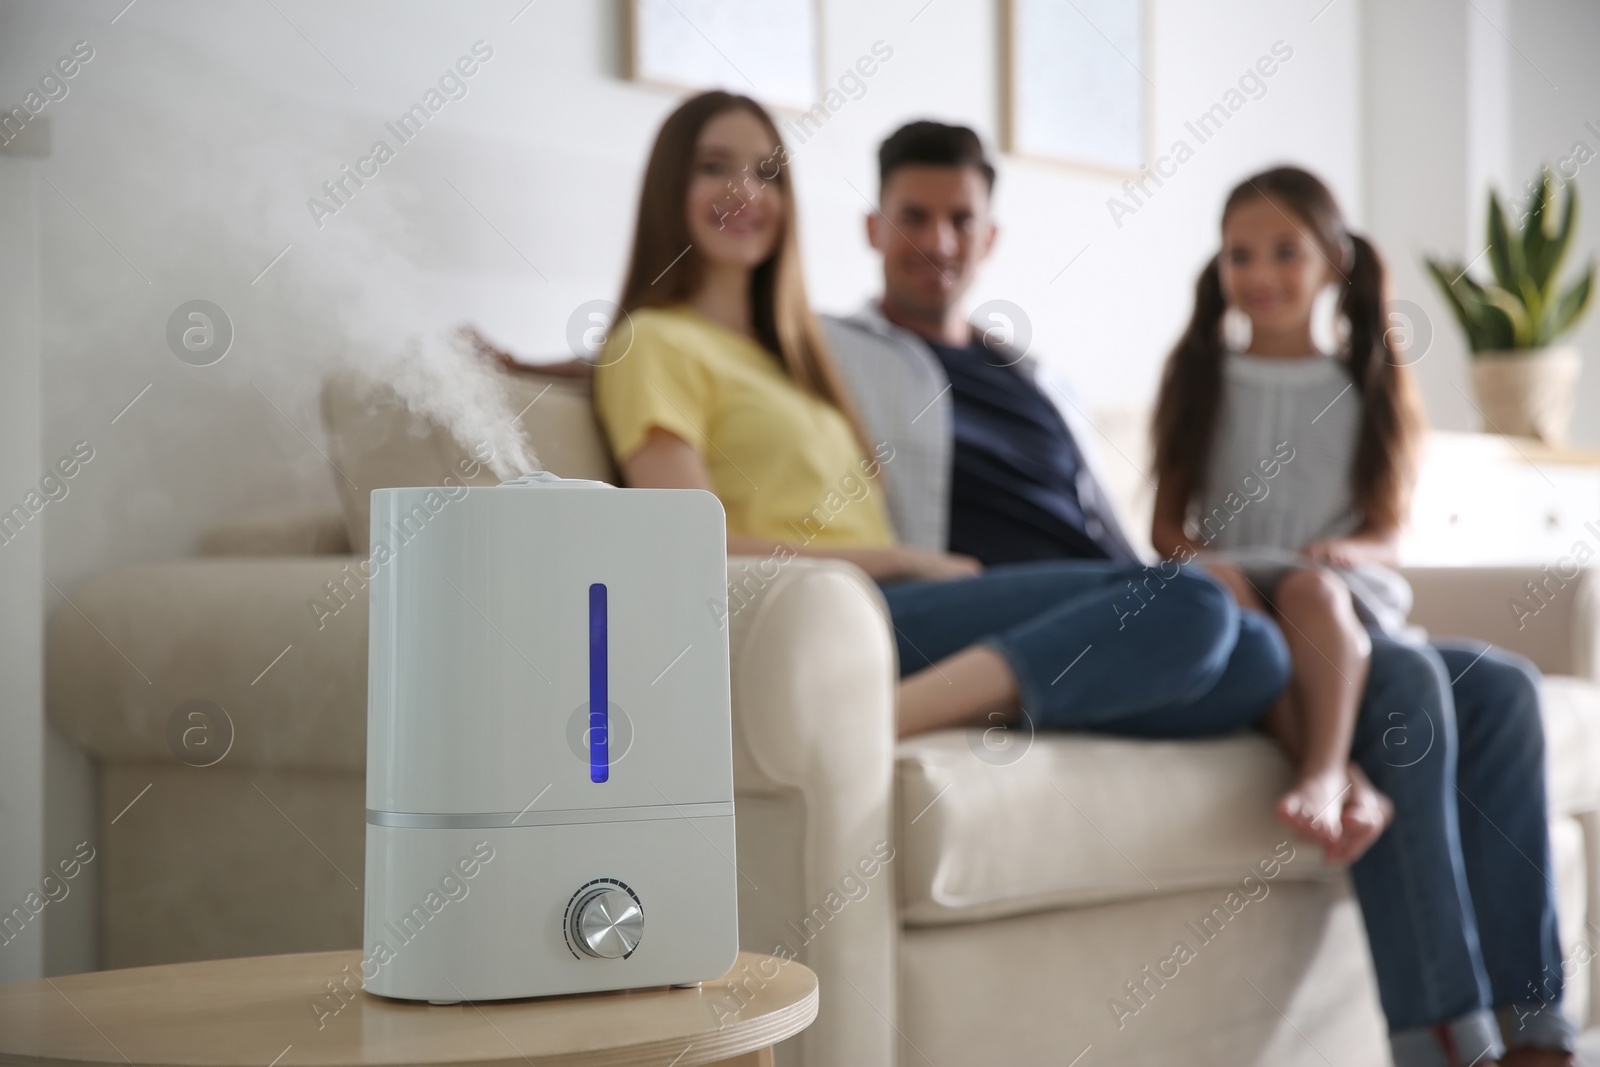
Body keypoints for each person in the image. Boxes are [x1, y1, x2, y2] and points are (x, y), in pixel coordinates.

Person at [821, 122, 1574, 1067]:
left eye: (959, 218)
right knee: (1395, 688)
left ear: (990, 236)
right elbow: (726, 349)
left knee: (1498, 688)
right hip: (1110, 601)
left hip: (1174, 592)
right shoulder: (838, 349)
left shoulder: (1037, 375)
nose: (937, 240)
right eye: (912, 218)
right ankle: (1440, 1041)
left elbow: (1140, 522)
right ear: (871, 225)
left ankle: (1539, 1033)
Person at [589, 90, 1290, 774]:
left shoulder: (798, 357)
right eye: (714, 166)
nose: (745, 191)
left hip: (884, 606)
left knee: (1259, 656)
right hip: (817, 613)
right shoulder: (652, 343)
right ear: (668, 187)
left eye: (766, 172)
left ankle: (988, 694)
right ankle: (867, 721)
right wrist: (898, 559)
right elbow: (683, 553)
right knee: (1190, 599)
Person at [1151, 166, 1422, 852]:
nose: (1260, 272)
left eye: (1285, 251)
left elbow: (1389, 531)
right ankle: (1344, 777)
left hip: (1325, 582)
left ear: (1332, 262)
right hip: (1234, 571)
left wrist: (1347, 552)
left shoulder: (1365, 382)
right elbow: (1164, 527)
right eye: (1240, 255)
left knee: (1308, 590)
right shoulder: (1200, 375)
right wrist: (1201, 561)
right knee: (1224, 589)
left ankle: (1327, 768)